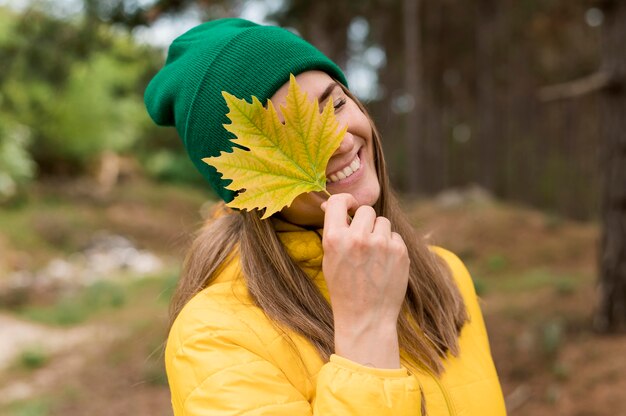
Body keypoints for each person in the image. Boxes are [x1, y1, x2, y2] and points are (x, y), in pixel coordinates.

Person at [144, 18, 506, 416]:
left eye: (334, 103)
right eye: (288, 140)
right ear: (247, 186)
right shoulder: (214, 337)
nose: (341, 140)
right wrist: (365, 329)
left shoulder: (444, 273)